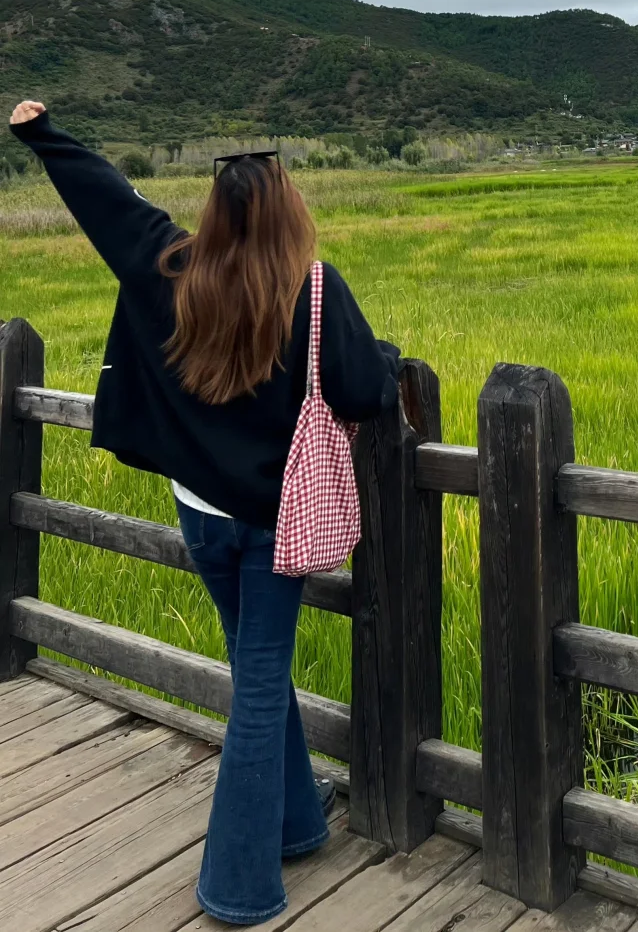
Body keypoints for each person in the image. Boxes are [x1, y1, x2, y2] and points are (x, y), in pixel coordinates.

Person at [8, 101, 400, 925]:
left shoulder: (171, 266)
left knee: (256, 669)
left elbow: (105, 198)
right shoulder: (315, 288)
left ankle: (296, 823)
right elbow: (367, 390)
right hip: (274, 521)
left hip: (199, 513)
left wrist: (42, 133)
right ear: (293, 213)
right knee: (260, 683)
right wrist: (388, 359)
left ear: (214, 212)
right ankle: (238, 887)